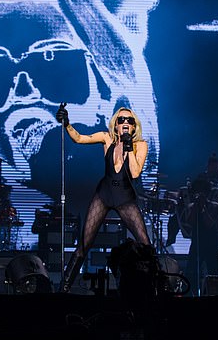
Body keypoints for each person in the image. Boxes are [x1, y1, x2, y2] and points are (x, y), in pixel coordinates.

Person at [56, 104, 153, 293]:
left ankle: (157, 287)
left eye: (129, 120)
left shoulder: (140, 145)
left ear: (134, 126)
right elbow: (79, 138)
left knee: (145, 244)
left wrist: (128, 147)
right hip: (105, 193)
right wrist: (67, 123)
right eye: (121, 120)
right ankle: (64, 288)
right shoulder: (107, 138)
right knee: (84, 243)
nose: (125, 123)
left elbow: (134, 172)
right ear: (115, 125)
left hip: (125, 197)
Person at [181, 177, 218, 296]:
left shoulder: (214, 206)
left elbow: (209, 223)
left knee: (215, 273)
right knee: (191, 273)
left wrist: (203, 208)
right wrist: (196, 207)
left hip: (212, 244)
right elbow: (189, 224)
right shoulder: (191, 207)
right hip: (197, 243)